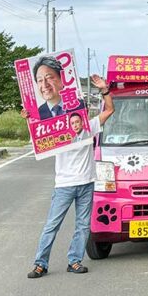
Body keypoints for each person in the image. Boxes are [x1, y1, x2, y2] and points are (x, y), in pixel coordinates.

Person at [27, 74, 114, 278]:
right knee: (52, 225)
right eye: (72, 116)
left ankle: (74, 261)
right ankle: (40, 264)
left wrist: (104, 89)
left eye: (79, 113)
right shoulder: (57, 131)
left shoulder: (89, 127)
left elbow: (109, 109)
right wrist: (29, 118)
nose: (76, 120)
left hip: (86, 183)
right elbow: (38, 136)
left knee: (83, 226)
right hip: (64, 185)